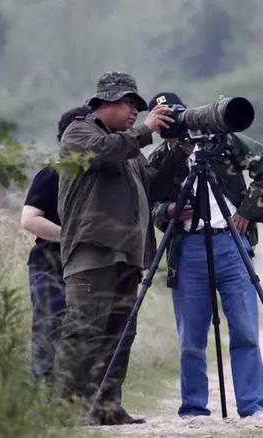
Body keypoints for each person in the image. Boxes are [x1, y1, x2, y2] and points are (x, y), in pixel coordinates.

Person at [52, 72, 188, 425]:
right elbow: (103, 155)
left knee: (120, 334)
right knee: (84, 331)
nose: (134, 112)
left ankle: (107, 407)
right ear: (105, 103)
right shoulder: (81, 133)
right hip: (92, 250)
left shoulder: (128, 148)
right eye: (129, 104)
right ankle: (68, 411)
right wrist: (145, 131)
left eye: (136, 107)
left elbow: (154, 187)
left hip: (129, 252)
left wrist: (177, 154)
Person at [147, 92, 263, 419]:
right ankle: (193, 409)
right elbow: (144, 199)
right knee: (191, 338)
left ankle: (252, 408)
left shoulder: (221, 143)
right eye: (162, 119)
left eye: (174, 116)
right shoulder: (161, 158)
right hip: (188, 247)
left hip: (231, 242)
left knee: (245, 330)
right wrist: (168, 211)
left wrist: (249, 211)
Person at [20, 105, 92, 380]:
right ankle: (44, 395)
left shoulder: (98, 176)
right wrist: (70, 236)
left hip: (85, 266)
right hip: (50, 264)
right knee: (49, 329)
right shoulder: (53, 173)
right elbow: (29, 219)